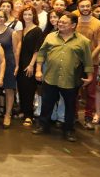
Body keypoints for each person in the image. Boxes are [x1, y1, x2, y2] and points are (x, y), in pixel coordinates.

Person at [32, 13, 94, 142]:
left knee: (70, 106)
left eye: (64, 22)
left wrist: (89, 76)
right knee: (47, 104)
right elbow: (41, 54)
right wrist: (38, 70)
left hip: (70, 79)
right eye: (59, 22)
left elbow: (88, 60)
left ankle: (69, 130)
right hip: (50, 77)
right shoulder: (50, 36)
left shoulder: (83, 41)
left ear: (73, 25)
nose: (60, 24)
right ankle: (43, 125)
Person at [75, 0, 100, 130]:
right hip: (74, 62)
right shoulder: (73, 22)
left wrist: (87, 59)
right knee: (74, 91)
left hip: (91, 62)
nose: (85, 8)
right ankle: (74, 117)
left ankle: (88, 117)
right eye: (82, 6)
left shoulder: (99, 24)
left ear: (91, 7)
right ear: (78, 8)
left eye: (87, 6)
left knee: (91, 92)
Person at [16, 5, 44, 127]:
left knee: (29, 89)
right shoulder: (20, 28)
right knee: (21, 88)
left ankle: (29, 115)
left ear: (34, 16)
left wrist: (32, 65)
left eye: (30, 14)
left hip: (29, 63)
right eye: (25, 14)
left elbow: (37, 50)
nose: (27, 17)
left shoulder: (37, 30)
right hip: (20, 62)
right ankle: (23, 110)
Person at [0, 9, 18, 128]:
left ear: (5, 18)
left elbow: (16, 50)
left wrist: (17, 65)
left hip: (9, 63)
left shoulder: (12, 32)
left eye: (1, 17)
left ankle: (7, 115)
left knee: (9, 89)